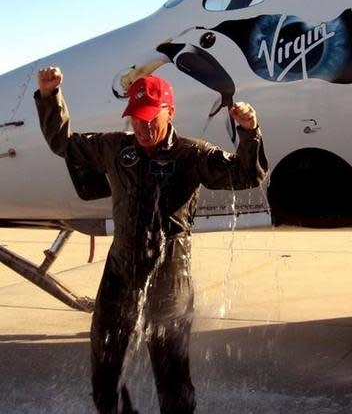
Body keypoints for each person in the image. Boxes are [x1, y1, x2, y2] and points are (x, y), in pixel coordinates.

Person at [35, 66, 268, 414]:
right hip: (121, 269)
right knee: (105, 359)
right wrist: (50, 96)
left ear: (169, 112)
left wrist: (249, 134)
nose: (141, 127)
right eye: (136, 118)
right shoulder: (115, 147)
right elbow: (64, 144)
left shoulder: (192, 155)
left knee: (170, 370)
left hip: (170, 271)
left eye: (149, 118)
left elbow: (247, 175)